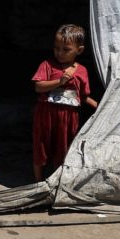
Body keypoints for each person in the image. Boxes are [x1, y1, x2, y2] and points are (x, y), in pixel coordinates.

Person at [31, 24, 98, 182]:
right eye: (56, 48)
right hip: (46, 114)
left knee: (63, 148)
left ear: (79, 50)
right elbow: (38, 87)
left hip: (68, 118)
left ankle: (55, 181)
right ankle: (38, 181)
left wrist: (101, 107)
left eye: (66, 49)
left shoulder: (82, 71)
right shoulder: (47, 65)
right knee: (41, 146)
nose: (59, 53)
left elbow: (82, 96)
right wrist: (59, 82)